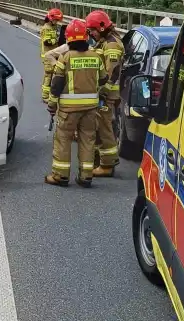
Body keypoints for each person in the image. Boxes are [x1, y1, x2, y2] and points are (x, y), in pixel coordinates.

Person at [45, 18, 107, 188]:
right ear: (86, 37)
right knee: (88, 140)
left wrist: (51, 105)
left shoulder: (65, 58)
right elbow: (103, 79)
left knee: (63, 140)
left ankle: (60, 176)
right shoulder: (96, 56)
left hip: (68, 111)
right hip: (91, 109)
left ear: (68, 39)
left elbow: (56, 85)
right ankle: (86, 176)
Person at [85, 9, 125, 178]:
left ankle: (107, 165)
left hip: (107, 95)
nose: (91, 34)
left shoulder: (112, 45)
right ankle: (98, 161)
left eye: (92, 30)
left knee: (104, 129)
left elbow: (113, 73)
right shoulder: (104, 42)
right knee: (97, 128)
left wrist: (102, 93)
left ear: (101, 27)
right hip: (102, 93)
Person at [40, 8, 64, 101]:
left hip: (52, 55)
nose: (57, 22)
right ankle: (45, 96)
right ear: (51, 18)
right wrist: (56, 40)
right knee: (48, 76)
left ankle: (49, 93)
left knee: (51, 75)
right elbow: (47, 42)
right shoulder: (46, 28)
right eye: (56, 20)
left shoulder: (52, 27)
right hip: (47, 56)